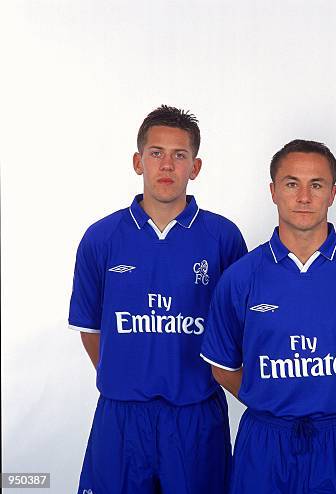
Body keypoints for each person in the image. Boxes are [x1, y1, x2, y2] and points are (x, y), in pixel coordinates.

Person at [201, 139, 336, 494]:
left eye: (316, 185)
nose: (304, 196)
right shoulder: (240, 277)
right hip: (265, 441)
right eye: (292, 184)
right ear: (273, 191)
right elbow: (223, 367)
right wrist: (270, 398)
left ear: (333, 193)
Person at [68, 105, 247, 494]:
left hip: (196, 414)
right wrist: (128, 375)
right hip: (121, 415)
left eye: (179, 155)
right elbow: (90, 329)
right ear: (138, 161)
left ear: (195, 167)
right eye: (156, 153)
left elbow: (237, 335)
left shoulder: (224, 239)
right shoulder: (101, 238)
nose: (167, 165)